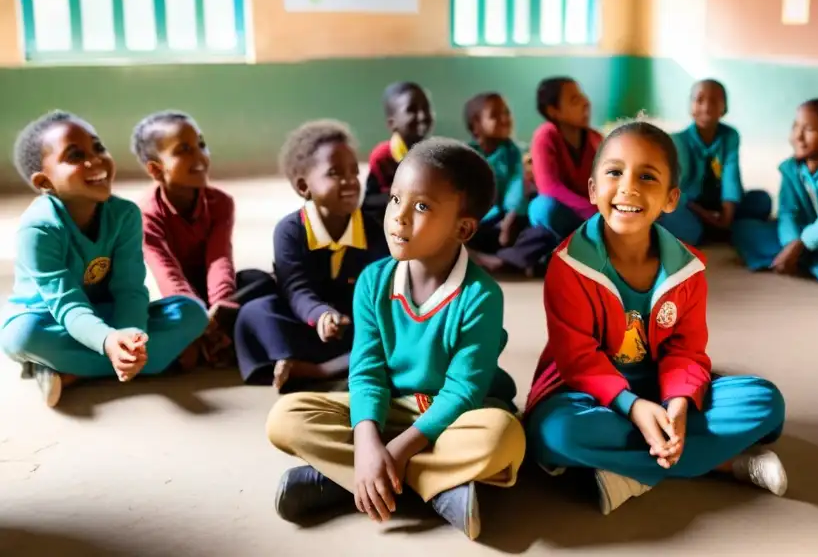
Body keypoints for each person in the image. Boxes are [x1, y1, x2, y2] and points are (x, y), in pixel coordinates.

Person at [265, 138, 525, 540]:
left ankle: (343, 481)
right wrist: (369, 441)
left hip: (453, 415)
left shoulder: (481, 296)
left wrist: (397, 450)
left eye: (421, 206)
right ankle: (436, 488)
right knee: (285, 418)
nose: (398, 218)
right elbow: (366, 372)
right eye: (395, 199)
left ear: (464, 227)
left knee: (503, 438)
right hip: (389, 408)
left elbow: (462, 393)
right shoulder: (373, 281)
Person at [524, 119, 787, 514]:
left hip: (661, 386)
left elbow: (686, 350)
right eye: (614, 172)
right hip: (587, 393)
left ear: (670, 199)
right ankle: (721, 463)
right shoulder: (569, 265)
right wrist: (633, 407)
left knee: (765, 402)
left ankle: (625, 469)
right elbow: (577, 359)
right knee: (553, 433)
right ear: (593, 190)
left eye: (647, 176)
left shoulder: (688, 269)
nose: (628, 187)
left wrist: (678, 403)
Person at [0, 111, 207, 407]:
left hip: (105, 313)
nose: (95, 161)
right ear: (45, 181)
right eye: (75, 155)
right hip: (49, 319)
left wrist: (131, 338)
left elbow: (130, 288)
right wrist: (109, 342)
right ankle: (143, 364)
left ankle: (73, 372)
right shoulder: (39, 228)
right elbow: (67, 304)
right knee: (20, 337)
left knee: (191, 312)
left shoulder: (125, 215)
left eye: (98, 148)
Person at [234, 121, 389, 388]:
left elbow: (381, 289)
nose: (350, 181)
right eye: (335, 173)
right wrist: (321, 315)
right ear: (304, 186)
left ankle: (320, 371)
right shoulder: (290, 231)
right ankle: (306, 363)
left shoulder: (373, 230)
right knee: (254, 312)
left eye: (354, 171)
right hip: (306, 320)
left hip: (354, 324)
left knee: (394, 329)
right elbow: (296, 289)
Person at [132, 110, 262, 366]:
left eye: (201, 145)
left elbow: (219, 259)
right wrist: (197, 316)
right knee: (141, 315)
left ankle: (205, 341)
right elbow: (168, 275)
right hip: (174, 299)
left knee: (260, 282)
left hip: (215, 294)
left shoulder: (221, 203)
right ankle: (207, 342)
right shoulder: (145, 215)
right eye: (183, 150)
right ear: (156, 170)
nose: (199, 155)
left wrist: (220, 307)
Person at [732, 99, 818, 282]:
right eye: (795, 126)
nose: (797, 136)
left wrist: (799, 246)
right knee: (742, 228)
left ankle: (796, 261)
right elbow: (787, 213)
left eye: (808, 130)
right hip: (804, 235)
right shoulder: (791, 168)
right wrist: (791, 243)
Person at [659, 80, 771, 245]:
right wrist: (706, 215)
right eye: (699, 100)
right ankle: (713, 229)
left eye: (714, 101)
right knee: (677, 220)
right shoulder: (678, 141)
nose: (706, 107)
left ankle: (719, 227)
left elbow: (731, 176)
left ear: (724, 108)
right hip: (692, 206)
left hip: (721, 203)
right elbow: (677, 190)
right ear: (690, 106)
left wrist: (727, 216)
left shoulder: (730, 136)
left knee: (762, 200)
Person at [464, 92, 556, 275]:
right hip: (476, 225)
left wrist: (511, 217)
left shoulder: (515, 152)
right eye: (495, 115)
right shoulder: (466, 155)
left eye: (506, 113)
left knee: (544, 233)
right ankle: (485, 258)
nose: (504, 118)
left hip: (509, 224)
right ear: (476, 125)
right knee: (447, 237)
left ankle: (504, 260)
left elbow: (517, 187)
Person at [528, 77, 603, 241]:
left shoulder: (596, 139)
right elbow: (550, 188)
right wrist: (596, 213)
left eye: (583, 95)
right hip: (566, 214)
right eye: (575, 100)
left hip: (594, 216)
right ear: (553, 111)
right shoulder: (545, 136)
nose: (586, 102)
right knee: (543, 207)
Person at [362, 81, 434, 220]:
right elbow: (369, 202)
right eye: (411, 110)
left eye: (426, 108)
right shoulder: (383, 156)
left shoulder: (435, 154)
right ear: (392, 123)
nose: (422, 116)